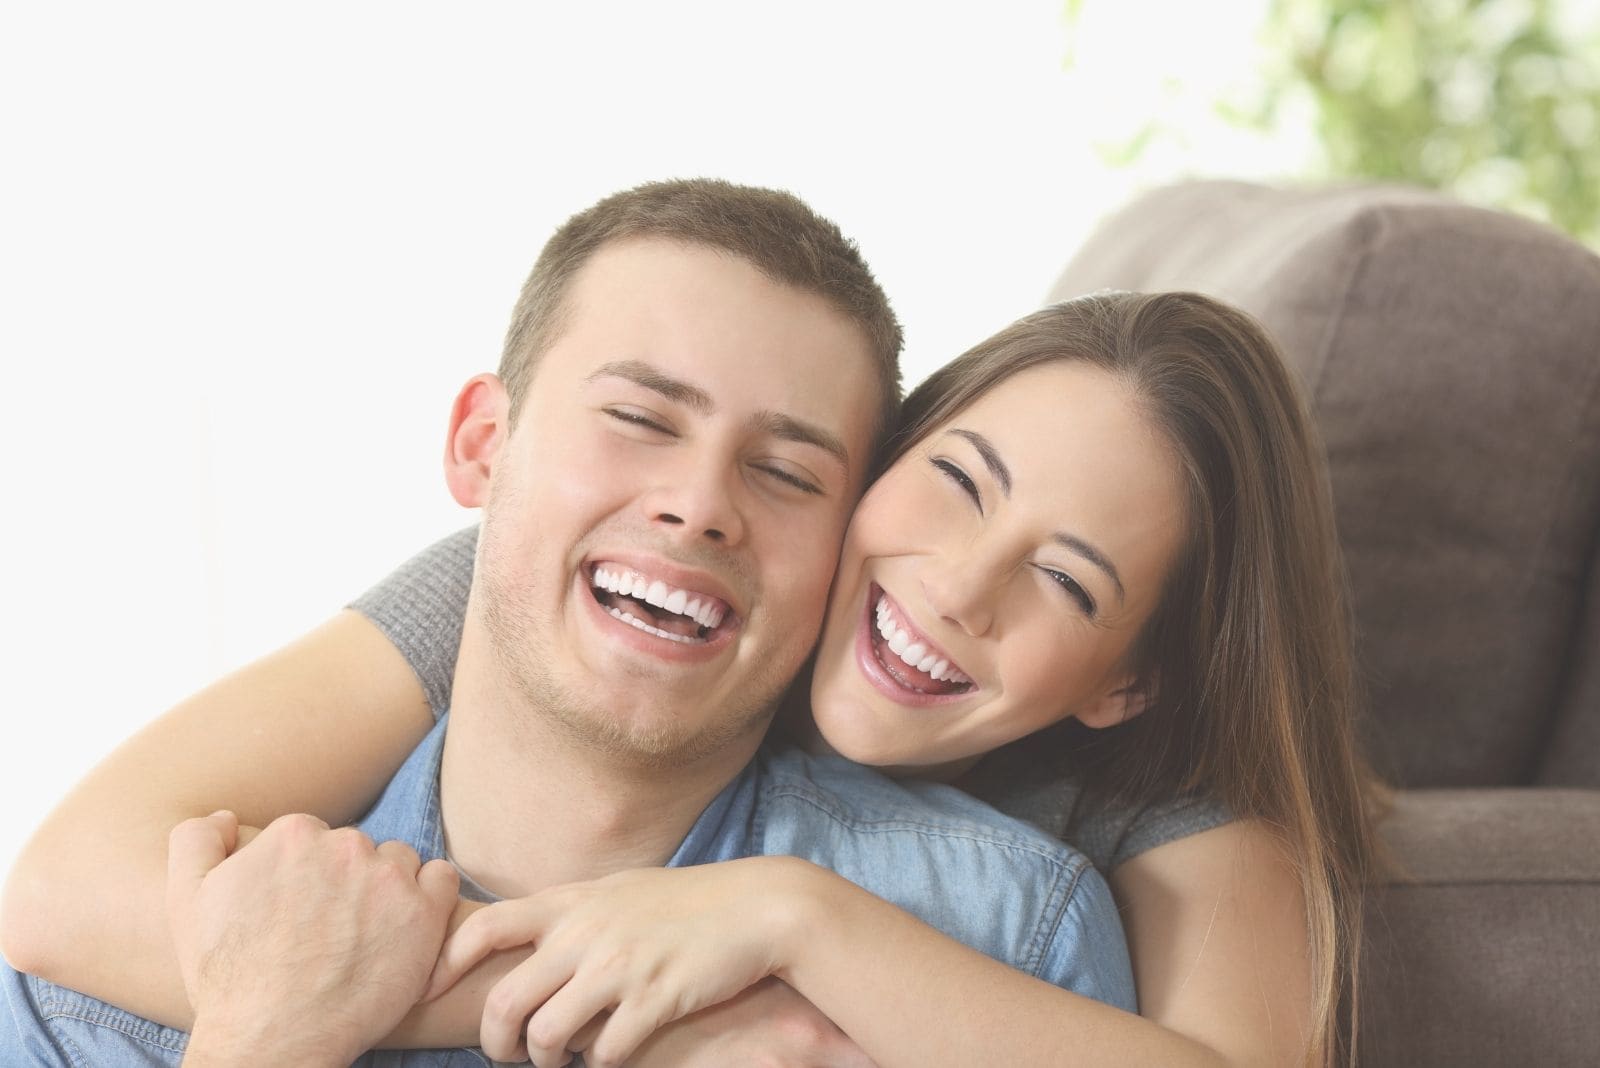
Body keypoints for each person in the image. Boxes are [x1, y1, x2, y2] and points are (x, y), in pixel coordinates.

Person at [6, 191, 1383, 1066]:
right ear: (485, 449)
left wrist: (796, 926)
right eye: (958, 486)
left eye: (787, 470)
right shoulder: (200, 925)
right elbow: (58, 892)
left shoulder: (1052, 891)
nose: (699, 507)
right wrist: (287, 1019)